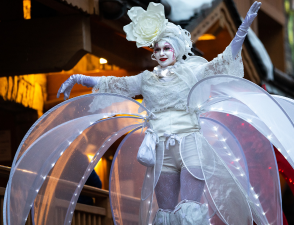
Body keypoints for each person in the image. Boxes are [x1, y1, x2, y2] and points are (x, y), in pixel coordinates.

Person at [57, 2, 261, 224]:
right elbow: (116, 84)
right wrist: (80, 78)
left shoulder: (191, 73)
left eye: (167, 48)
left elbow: (222, 61)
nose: (162, 53)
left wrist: (243, 29)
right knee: (165, 214)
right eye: (157, 49)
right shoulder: (146, 80)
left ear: (176, 50)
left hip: (190, 145)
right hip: (161, 151)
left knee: (190, 212)